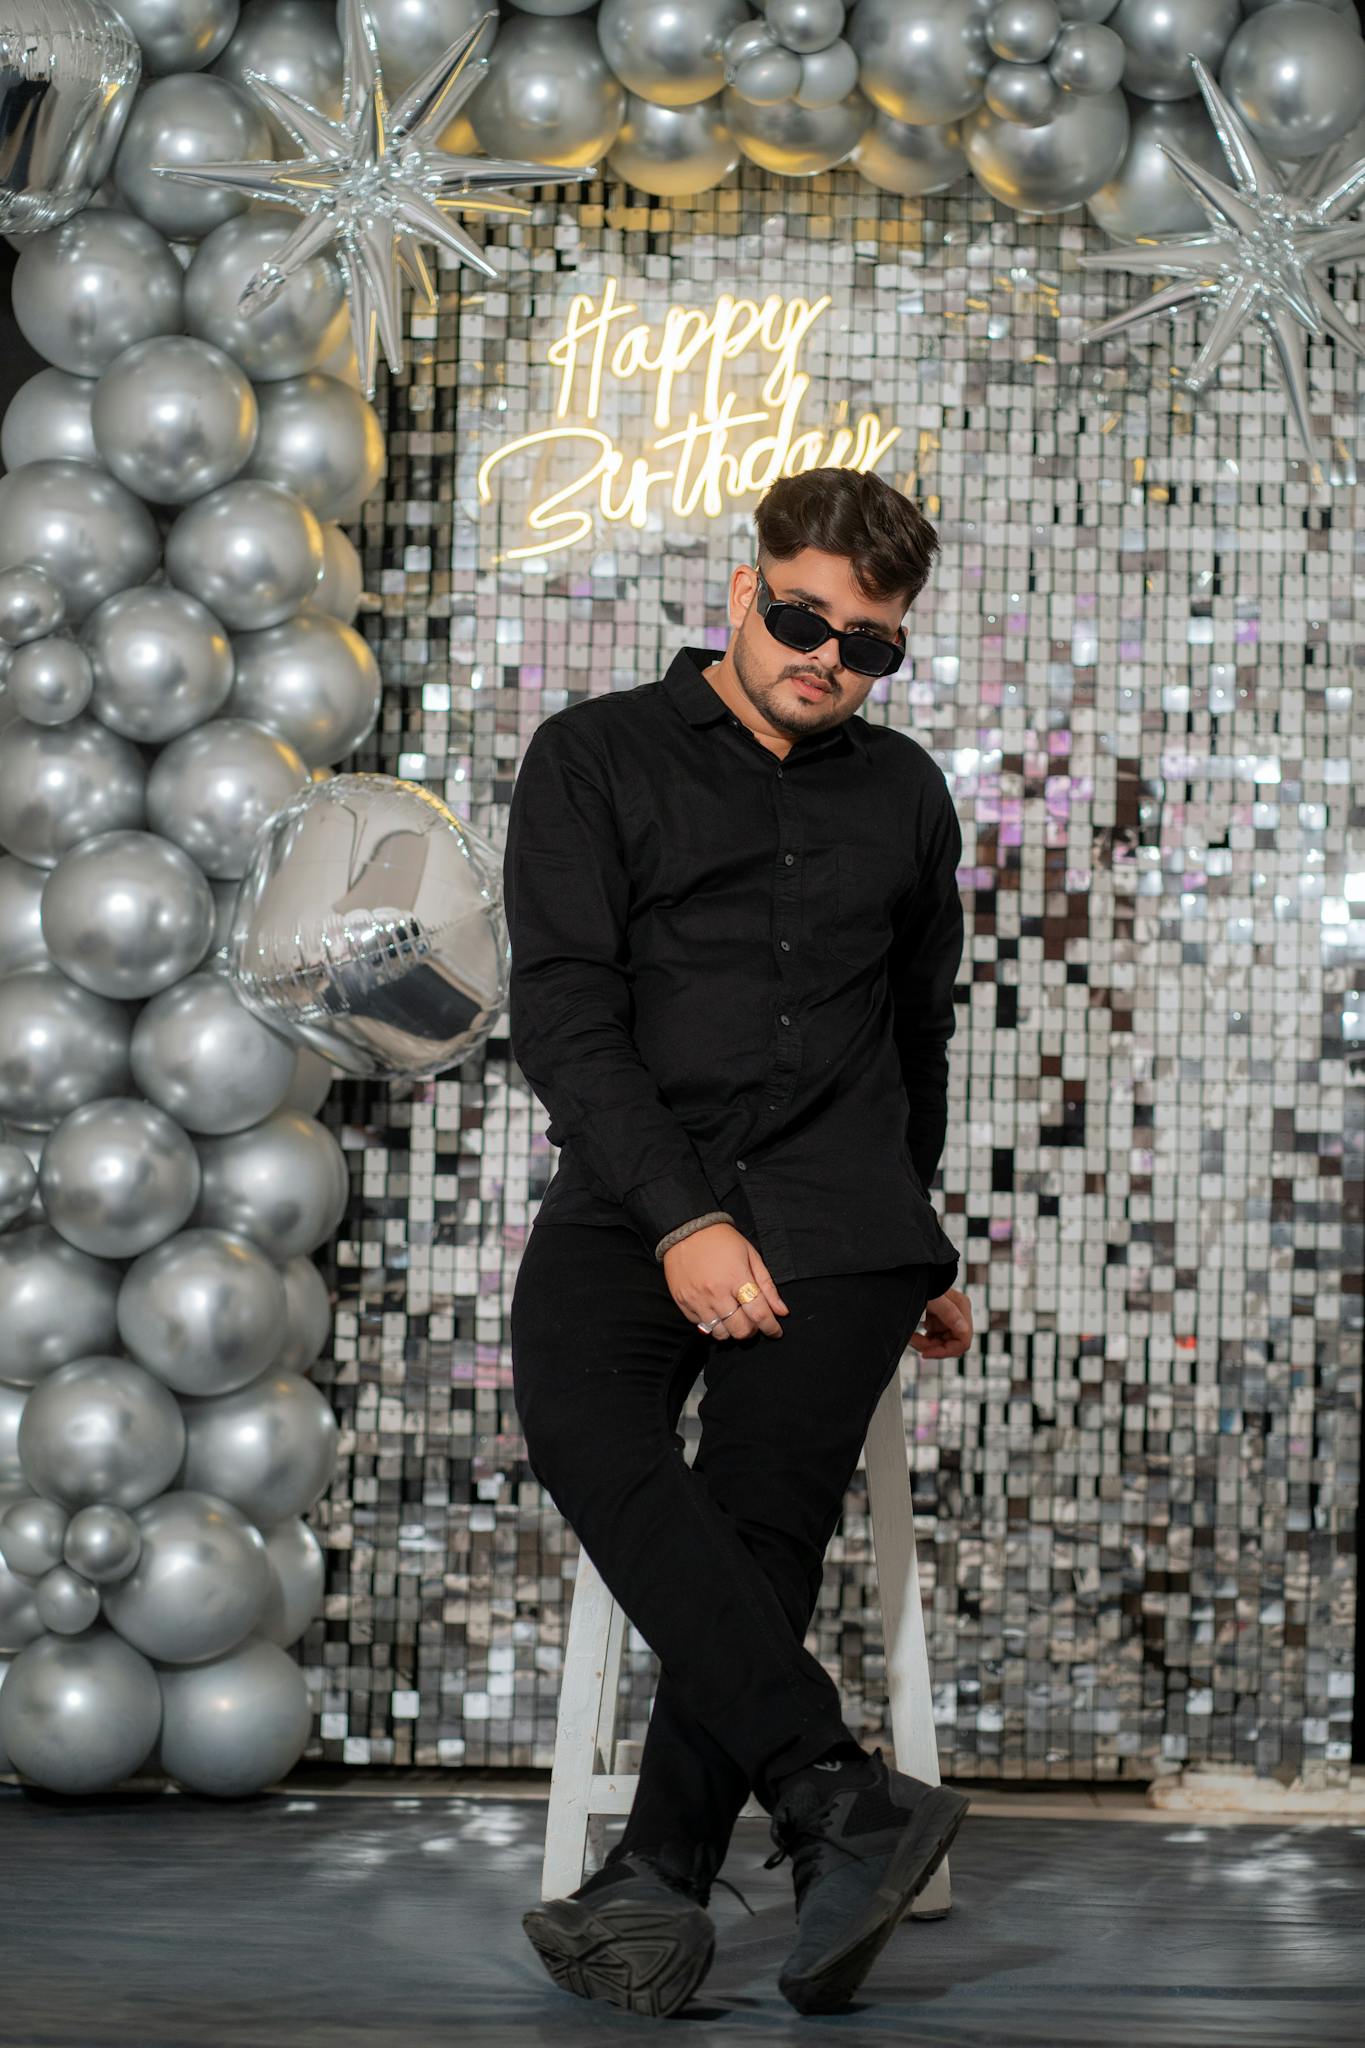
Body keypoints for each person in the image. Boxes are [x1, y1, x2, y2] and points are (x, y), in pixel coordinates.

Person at [505, 466, 974, 2020]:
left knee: (760, 1508)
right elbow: (565, 1014)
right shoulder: (591, 759)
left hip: (843, 1216)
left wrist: (923, 1243)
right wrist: (685, 1219)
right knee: (581, 1420)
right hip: (638, 1196)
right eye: (802, 618)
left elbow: (916, 1032)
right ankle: (842, 1796)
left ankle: (651, 1888)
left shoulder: (906, 796)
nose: (827, 657)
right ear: (740, 592)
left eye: (868, 643)